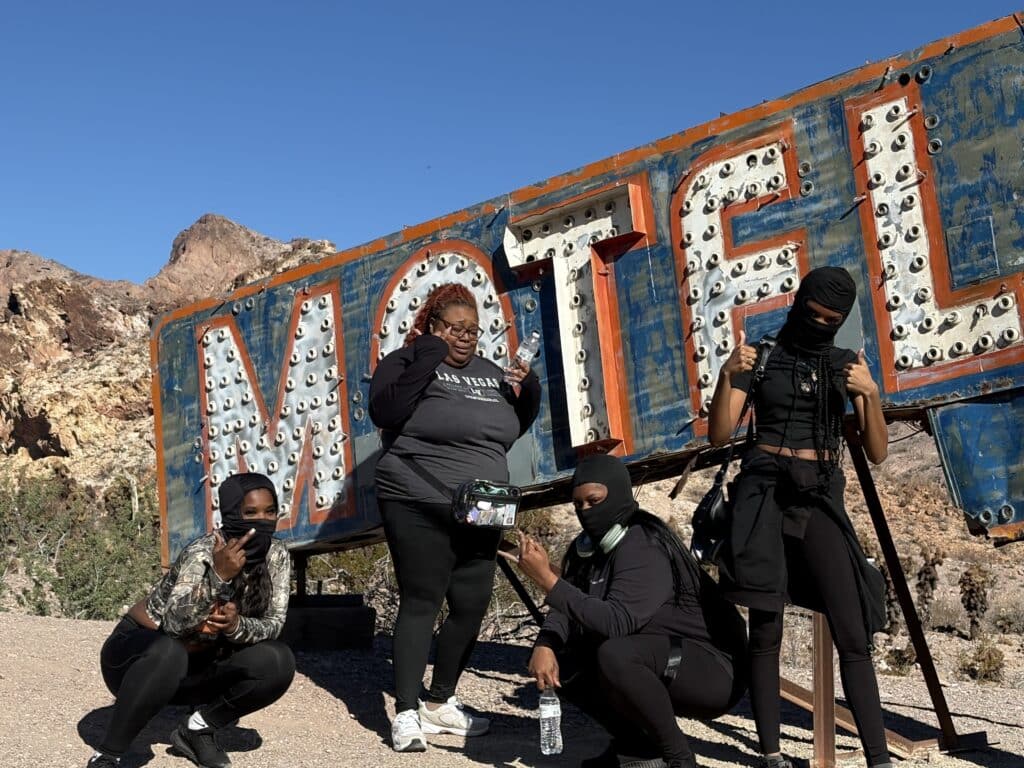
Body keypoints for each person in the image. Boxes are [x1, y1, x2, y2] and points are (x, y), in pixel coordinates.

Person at [708, 266, 890, 768]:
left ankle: (879, 759)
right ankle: (770, 754)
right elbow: (719, 435)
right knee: (766, 627)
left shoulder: (844, 365)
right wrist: (727, 374)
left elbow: (877, 452)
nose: (820, 324)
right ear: (798, 304)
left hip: (820, 496)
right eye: (813, 314)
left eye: (832, 319)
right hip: (763, 492)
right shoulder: (762, 357)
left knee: (852, 629)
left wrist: (869, 394)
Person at [369, 281, 542, 752]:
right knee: (423, 598)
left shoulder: (490, 372)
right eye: (455, 328)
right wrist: (428, 352)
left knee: (471, 601)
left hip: (482, 503)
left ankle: (439, 700)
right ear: (432, 325)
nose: (466, 337)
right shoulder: (405, 362)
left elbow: (514, 425)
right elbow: (385, 410)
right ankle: (405, 712)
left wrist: (528, 388)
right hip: (416, 496)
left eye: (473, 330)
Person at [501, 453, 748, 768]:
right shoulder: (587, 546)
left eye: (594, 501)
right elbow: (571, 602)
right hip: (662, 654)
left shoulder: (642, 543)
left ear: (616, 495)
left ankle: (680, 759)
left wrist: (548, 580)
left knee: (616, 654)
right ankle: (637, 749)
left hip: (715, 672)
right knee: (564, 659)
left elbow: (617, 621)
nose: (586, 512)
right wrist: (546, 643)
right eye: (578, 505)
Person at [86, 473, 295, 768]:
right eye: (250, 513)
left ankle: (197, 729)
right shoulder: (202, 554)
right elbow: (173, 626)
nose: (262, 520)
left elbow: (274, 621)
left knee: (278, 660)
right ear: (232, 513)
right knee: (168, 653)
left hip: (197, 666)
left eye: (270, 511)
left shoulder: (277, 555)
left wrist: (236, 627)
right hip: (138, 663)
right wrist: (219, 577)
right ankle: (109, 753)